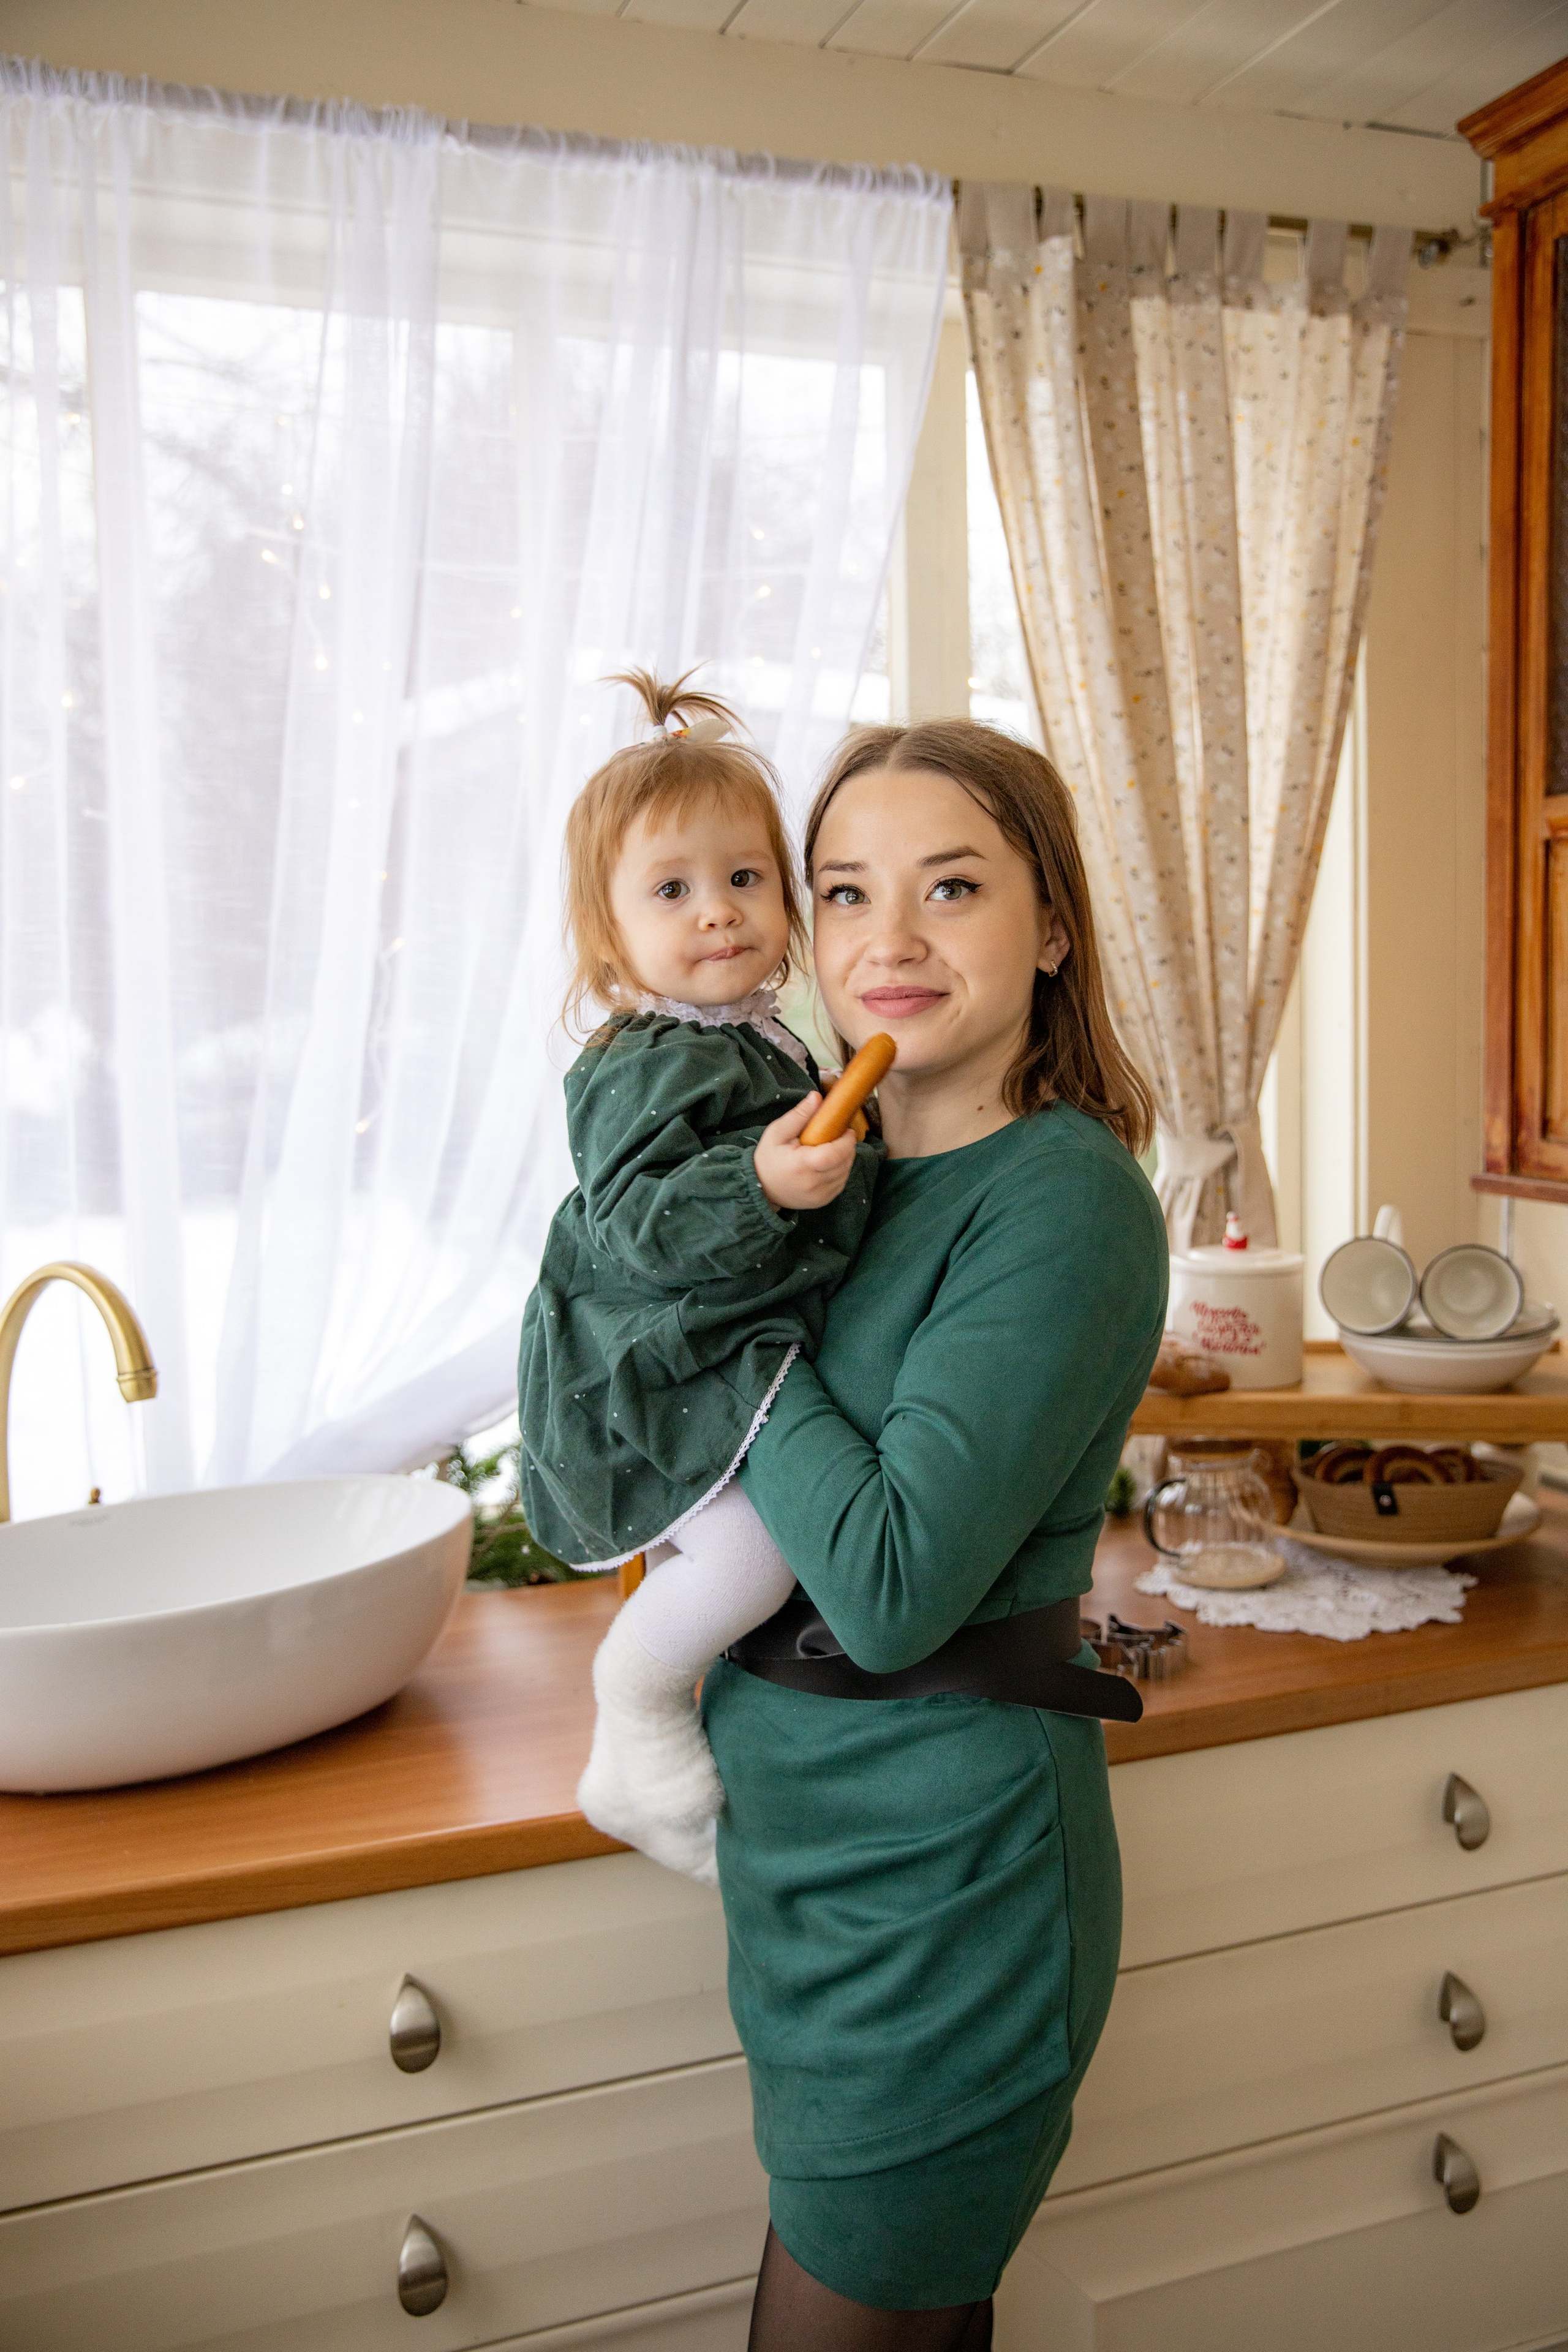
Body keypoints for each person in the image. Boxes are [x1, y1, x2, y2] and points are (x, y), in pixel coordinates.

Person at [701, 719, 1167, 2351]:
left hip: (949, 1886)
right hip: (806, 1868)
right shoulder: (830, 1186)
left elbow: (891, 1587)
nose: (885, 940)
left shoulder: (1062, 1197)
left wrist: (723, 1336)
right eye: (843, 892)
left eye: (950, 887)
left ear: (1052, 931)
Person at [517, 670, 881, 1884]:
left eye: (744, 878)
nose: (718, 912)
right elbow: (636, 1223)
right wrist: (761, 1184)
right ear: (608, 938)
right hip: (656, 1365)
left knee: (750, 1555)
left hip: (718, 1347)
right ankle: (634, 1700)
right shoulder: (646, 1062)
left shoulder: (757, 1038)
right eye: (671, 890)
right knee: (745, 1561)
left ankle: (630, 1756)